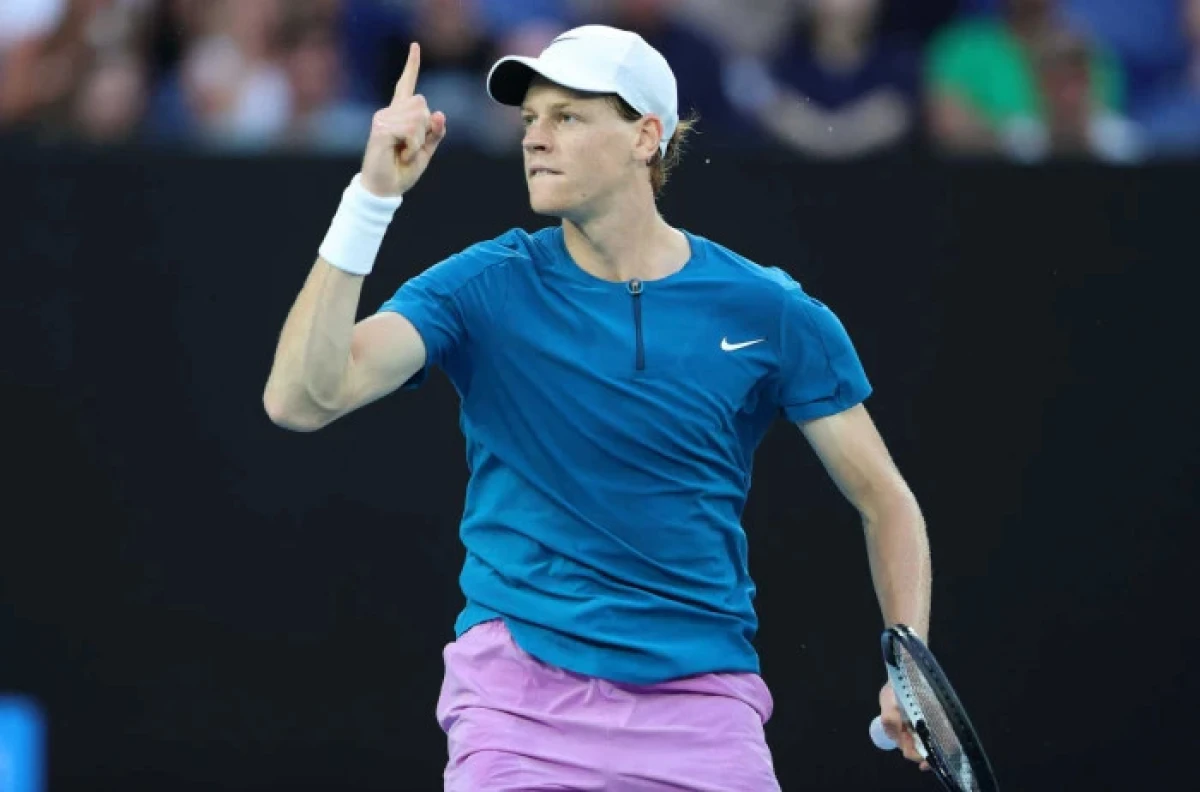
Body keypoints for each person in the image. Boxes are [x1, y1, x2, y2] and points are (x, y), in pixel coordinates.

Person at [263, 24, 932, 791]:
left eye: (567, 117)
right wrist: (371, 197)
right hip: (517, 707)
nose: (534, 137)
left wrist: (908, 667)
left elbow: (884, 499)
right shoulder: (482, 286)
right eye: (529, 119)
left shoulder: (767, 309)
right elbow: (301, 399)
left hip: (702, 709)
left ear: (645, 137)